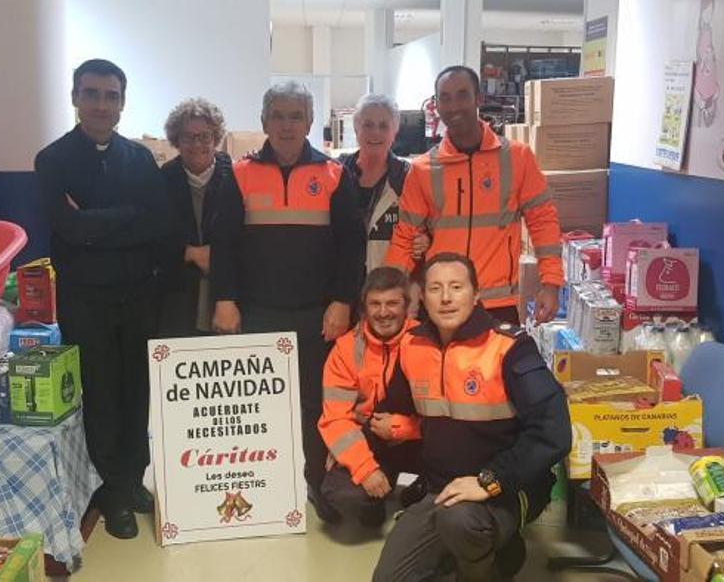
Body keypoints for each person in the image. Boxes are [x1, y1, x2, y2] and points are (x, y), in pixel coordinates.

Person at [210, 81, 366, 521]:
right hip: (256, 312)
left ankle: (318, 484)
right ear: (263, 122)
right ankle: (267, 490)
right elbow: (223, 244)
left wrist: (341, 301)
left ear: (310, 122)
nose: (286, 125)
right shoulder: (237, 173)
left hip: (318, 315)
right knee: (260, 409)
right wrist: (225, 299)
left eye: (295, 116)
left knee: (317, 405)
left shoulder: (335, 174)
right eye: (277, 116)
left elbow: (351, 247)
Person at [34, 59, 175, 539]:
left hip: (138, 296)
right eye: (91, 93)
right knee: (101, 395)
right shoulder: (53, 160)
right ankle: (111, 493)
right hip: (85, 299)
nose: (101, 104)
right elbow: (66, 227)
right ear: (75, 98)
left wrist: (93, 223)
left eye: (111, 95)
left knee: (137, 392)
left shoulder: (139, 159)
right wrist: (124, 219)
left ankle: (134, 480)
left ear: (122, 103)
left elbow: (157, 224)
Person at [373, 253, 571, 581]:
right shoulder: (412, 345)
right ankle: (484, 556)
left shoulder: (509, 347)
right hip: (440, 489)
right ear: (422, 297)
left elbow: (554, 430)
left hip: (505, 488)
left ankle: (493, 564)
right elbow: (397, 411)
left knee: (460, 523)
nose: (446, 297)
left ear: (476, 294)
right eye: (435, 288)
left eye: (456, 287)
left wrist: (490, 481)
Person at [385, 65, 565, 325]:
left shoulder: (517, 158)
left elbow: (543, 223)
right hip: (442, 305)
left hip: (497, 305)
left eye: (462, 95)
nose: (454, 106)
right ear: (436, 105)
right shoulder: (423, 169)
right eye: (445, 98)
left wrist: (551, 284)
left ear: (478, 98)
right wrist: (389, 295)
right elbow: (404, 236)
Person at [317, 267, 422, 527]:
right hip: (371, 440)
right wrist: (364, 468)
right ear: (363, 308)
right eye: (375, 304)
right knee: (340, 494)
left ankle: (425, 490)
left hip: (418, 437)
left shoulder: (426, 342)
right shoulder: (345, 349)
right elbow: (336, 420)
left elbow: (447, 414)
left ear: (407, 307)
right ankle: (373, 503)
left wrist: (400, 428)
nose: (383, 312)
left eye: (392, 303)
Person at [157, 98, 234, 337]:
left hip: (228, 299)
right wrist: (189, 252)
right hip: (177, 299)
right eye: (188, 137)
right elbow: (151, 236)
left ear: (216, 138)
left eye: (205, 136)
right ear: (176, 140)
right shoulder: (161, 180)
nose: (197, 144)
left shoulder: (236, 177)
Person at [337, 94, 429, 272]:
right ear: (356, 128)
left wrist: (425, 240)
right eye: (368, 125)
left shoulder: (408, 177)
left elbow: (425, 226)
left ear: (395, 132)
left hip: (388, 287)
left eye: (383, 126)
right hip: (342, 287)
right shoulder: (337, 172)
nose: (375, 132)